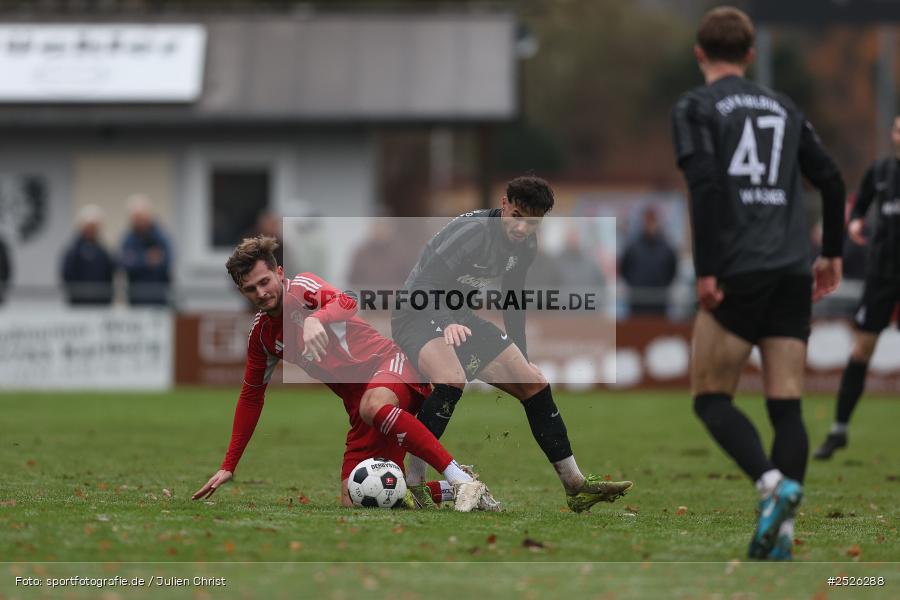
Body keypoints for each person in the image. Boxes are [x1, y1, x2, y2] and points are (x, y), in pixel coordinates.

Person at [672, 7, 845, 560]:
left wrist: (706, 269)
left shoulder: (696, 106)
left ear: (699, 53)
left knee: (710, 398)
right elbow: (832, 179)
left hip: (738, 269)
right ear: (749, 55)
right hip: (793, 270)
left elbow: (705, 186)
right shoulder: (784, 106)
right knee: (786, 407)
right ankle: (783, 537)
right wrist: (832, 254)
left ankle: (772, 486)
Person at [192, 236, 495, 512]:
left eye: (264, 281)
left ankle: (458, 478)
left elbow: (348, 301)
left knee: (373, 405)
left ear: (279, 273)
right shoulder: (262, 336)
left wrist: (316, 320)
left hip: (390, 366)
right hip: (360, 408)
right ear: (241, 292)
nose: (261, 292)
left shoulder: (302, 288)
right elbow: (251, 397)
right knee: (356, 498)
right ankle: (457, 490)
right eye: (251, 289)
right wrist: (229, 465)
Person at [391, 175, 633, 513]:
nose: (521, 228)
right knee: (451, 378)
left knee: (534, 383)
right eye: (517, 216)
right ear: (504, 204)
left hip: (458, 315)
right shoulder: (473, 232)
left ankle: (575, 486)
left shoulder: (526, 245)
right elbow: (425, 285)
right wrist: (446, 323)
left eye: (532, 222)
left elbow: (513, 300)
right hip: (416, 312)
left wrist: (522, 353)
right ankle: (413, 484)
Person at [814, 115, 900, 460]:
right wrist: (855, 223)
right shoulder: (880, 172)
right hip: (882, 276)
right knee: (862, 350)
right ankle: (838, 430)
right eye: (898, 129)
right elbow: (858, 208)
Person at [619, 208, 678, 315]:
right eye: (647, 221)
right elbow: (624, 269)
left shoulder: (666, 248)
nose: (649, 225)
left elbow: (672, 270)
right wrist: (634, 285)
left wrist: (662, 285)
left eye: (652, 221)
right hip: (637, 301)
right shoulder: (632, 247)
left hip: (659, 302)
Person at [120, 195, 172, 305]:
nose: (140, 221)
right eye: (136, 218)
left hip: (159, 295)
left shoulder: (160, 236)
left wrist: (139, 259)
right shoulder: (128, 239)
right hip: (136, 296)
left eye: (142, 217)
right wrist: (146, 259)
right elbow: (125, 262)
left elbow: (168, 258)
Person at [61, 204, 115, 305]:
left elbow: (110, 272)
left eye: (94, 227)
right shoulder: (73, 250)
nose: (91, 230)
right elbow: (67, 274)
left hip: (101, 301)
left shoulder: (103, 250)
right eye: (89, 227)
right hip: (79, 302)